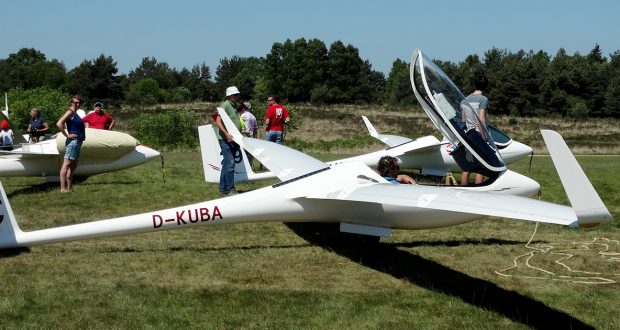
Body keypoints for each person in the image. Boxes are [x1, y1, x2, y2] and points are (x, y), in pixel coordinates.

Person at [461, 75, 490, 185]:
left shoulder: (464, 100)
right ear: (485, 86)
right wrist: (483, 137)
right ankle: (479, 192)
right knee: (481, 166)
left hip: (468, 134)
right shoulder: (483, 100)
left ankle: (463, 188)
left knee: (467, 166)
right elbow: (481, 119)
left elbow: (463, 120)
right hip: (479, 134)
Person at [214, 86, 243, 195]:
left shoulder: (234, 105)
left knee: (227, 164)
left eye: (238, 95)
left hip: (232, 139)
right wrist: (226, 134)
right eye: (236, 95)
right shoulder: (226, 105)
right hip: (226, 139)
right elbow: (218, 121)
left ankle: (223, 189)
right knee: (230, 164)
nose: (238, 96)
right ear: (230, 96)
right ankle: (231, 189)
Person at [56, 95, 86, 193]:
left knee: (73, 166)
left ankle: (69, 188)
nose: (77, 104)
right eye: (75, 102)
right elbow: (59, 123)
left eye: (78, 102)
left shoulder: (75, 114)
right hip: (73, 142)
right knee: (67, 164)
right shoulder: (70, 112)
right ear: (71, 103)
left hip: (78, 142)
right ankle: (62, 188)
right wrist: (67, 135)